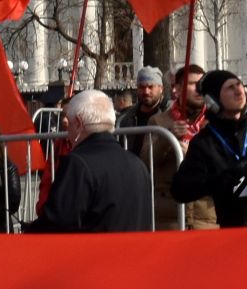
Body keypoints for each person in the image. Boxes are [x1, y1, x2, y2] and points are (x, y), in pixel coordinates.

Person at [24, 90, 153, 233]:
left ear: (78, 123)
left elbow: (57, 221)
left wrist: (29, 230)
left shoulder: (78, 164)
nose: (67, 132)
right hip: (135, 252)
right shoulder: (138, 165)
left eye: (70, 124)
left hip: (94, 253)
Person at [172, 70, 247, 228]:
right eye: (230, 87)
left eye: (239, 85)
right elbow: (180, 189)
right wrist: (223, 178)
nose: (238, 90)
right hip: (237, 230)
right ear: (212, 100)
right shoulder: (205, 141)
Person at [150, 64, 216, 230]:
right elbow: (147, 160)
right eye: (193, 84)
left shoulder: (215, 122)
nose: (200, 89)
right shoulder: (159, 121)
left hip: (205, 217)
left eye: (203, 84)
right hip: (170, 218)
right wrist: (168, 137)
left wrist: (194, 156)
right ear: (177, 89)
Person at [116, 66, 168, 160]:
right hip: (133, 171)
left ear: (161, 88)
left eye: (150, 87)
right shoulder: (126, 117)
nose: (146, 92)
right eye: (142, 87)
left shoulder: (169, 113)